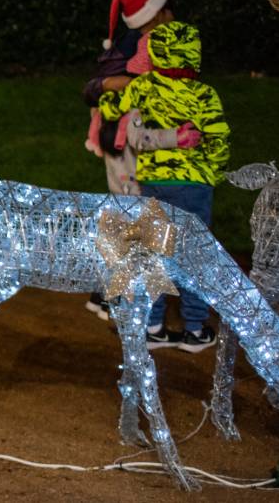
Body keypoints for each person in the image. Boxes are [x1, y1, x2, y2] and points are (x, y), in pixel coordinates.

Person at [98, 20, 229, 353]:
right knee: (192, 254)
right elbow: (218, 137)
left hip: (154, 183)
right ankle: (195, 330)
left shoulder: (146, 87)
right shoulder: (204, 94)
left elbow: (110, 107)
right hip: (194, 185)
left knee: (153, 252)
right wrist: (214, 170)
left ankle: (153, 325)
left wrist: (114, 93)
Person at [80, 0, 197, 320]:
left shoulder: (158, 39)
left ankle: (109, 293)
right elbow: (96, 88)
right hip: (130, 136)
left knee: (130, 212)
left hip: (138, 136)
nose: (146, 31)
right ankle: (115, 295)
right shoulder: (143, 43)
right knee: (130, 212)